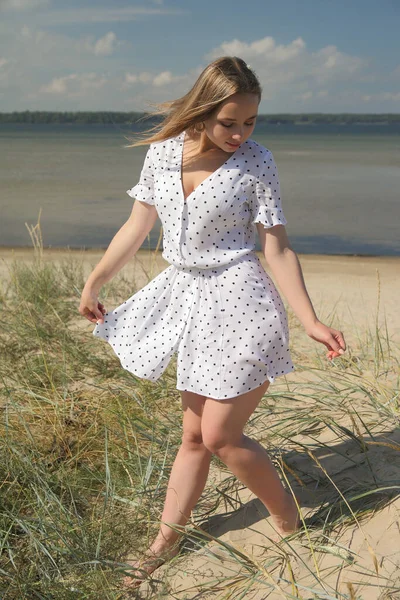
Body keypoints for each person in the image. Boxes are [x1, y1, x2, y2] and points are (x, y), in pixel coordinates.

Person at [79, 56, 346, 589]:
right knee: (193, 437)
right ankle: (165, 541)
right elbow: (136, 227)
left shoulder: (257, 162)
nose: (240, 134)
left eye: (250, 122)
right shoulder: (161, 157)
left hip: (244, 303)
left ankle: (291, 523)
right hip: (187, 304)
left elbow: (277, 247)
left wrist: (311, 320)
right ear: (202, 112)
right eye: (230, 122)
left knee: (222, 435)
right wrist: (95, 282)